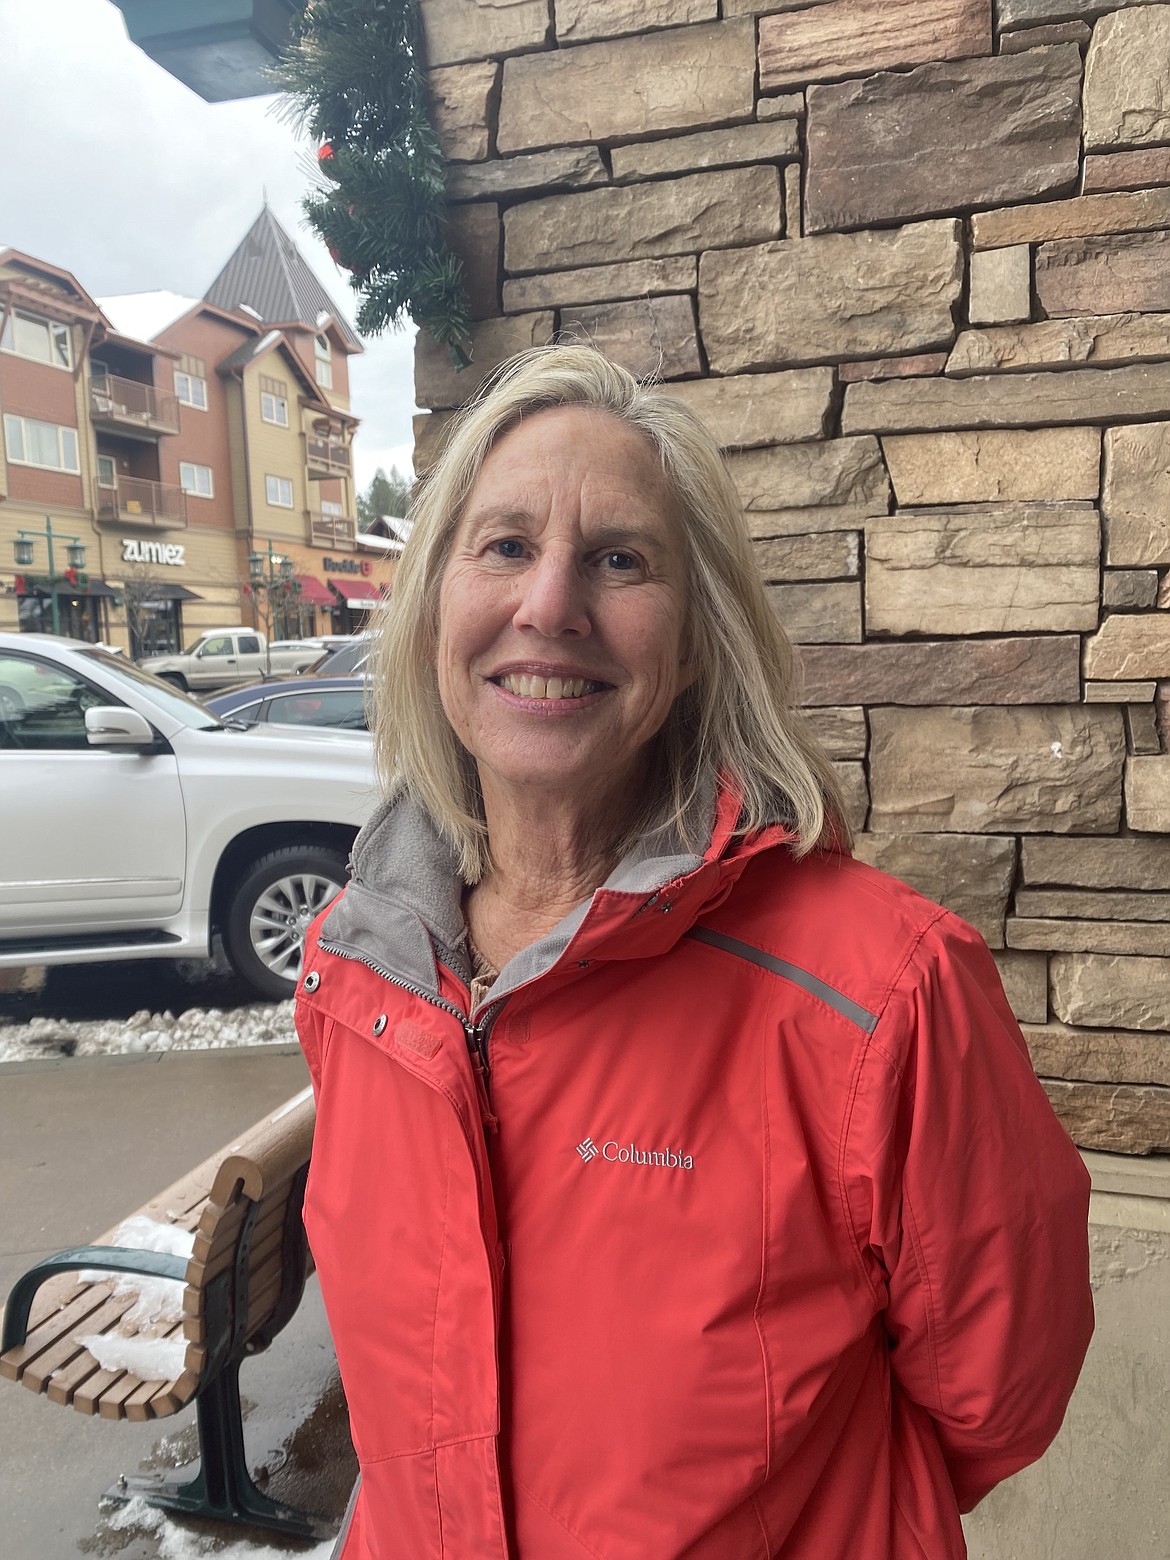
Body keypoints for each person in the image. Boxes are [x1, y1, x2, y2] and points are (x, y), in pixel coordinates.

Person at [295, 345, 1093, 1560]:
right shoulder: (360, 969)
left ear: (697, 641)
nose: (548, 605)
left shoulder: (883, 991)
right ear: (430, 607)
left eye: (620, 560)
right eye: (503, 545)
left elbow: (998, 1393)